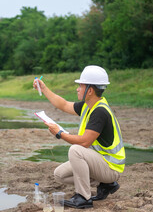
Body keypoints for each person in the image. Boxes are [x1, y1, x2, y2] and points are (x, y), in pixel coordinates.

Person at [33, 65, 125, 209]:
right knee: (60, 175)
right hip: (100, 163)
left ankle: (83, 197)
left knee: (75, 150)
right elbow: (62, 104)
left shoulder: (99, 112)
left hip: (110, 168)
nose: (77, 88)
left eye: (80, 85)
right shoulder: (88, 106)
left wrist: (60, 133)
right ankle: (106, 185)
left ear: (90, 90)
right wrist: (44, 89)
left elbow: (84, 142)